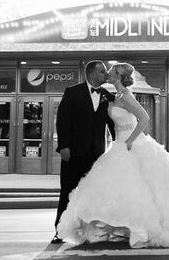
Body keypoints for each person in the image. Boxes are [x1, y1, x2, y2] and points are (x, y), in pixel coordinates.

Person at [57, 62, 169, 248]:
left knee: (139, 189)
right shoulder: (112, 96)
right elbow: (105, 123)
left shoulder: (126, 96)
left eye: (111, 71)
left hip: (130, 144)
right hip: (117, 145)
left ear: (119, 76)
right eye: (105, 71)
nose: (108, 73)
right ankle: (117, 228)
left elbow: (144, 118)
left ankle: (141, 227)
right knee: (116, 189)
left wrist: (130, 140)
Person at [52, 60, 116, 244]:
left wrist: (120, 145)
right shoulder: (73, 92)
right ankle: (59, 231)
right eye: (103, 71)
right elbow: (63, 121)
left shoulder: (107, 96)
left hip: (97, 154)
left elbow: (112, 124)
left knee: (94, 193)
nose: (106, 74)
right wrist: (64, 146)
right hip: (72, 153)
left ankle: (91, 231)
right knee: (68, 191)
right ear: (92, 73)